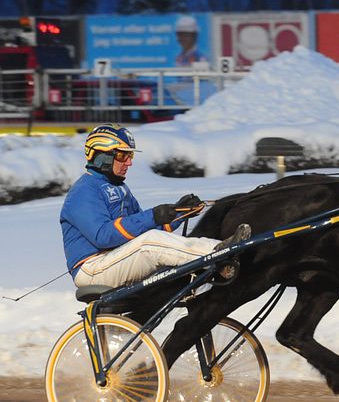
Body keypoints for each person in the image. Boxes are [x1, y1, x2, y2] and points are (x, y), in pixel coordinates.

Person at [60, 123, 250, 289]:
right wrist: (153, 215)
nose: (129, 162)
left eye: (130, 156)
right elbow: (103, 236)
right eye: (122, 156)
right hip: (92, 268)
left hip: (115, 259)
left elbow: (141, 228)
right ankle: (217, 253)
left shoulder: (119, 188)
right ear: (101, 155)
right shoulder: (83, 191)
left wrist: (178, 212)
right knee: (150, 243)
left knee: (154, 243)